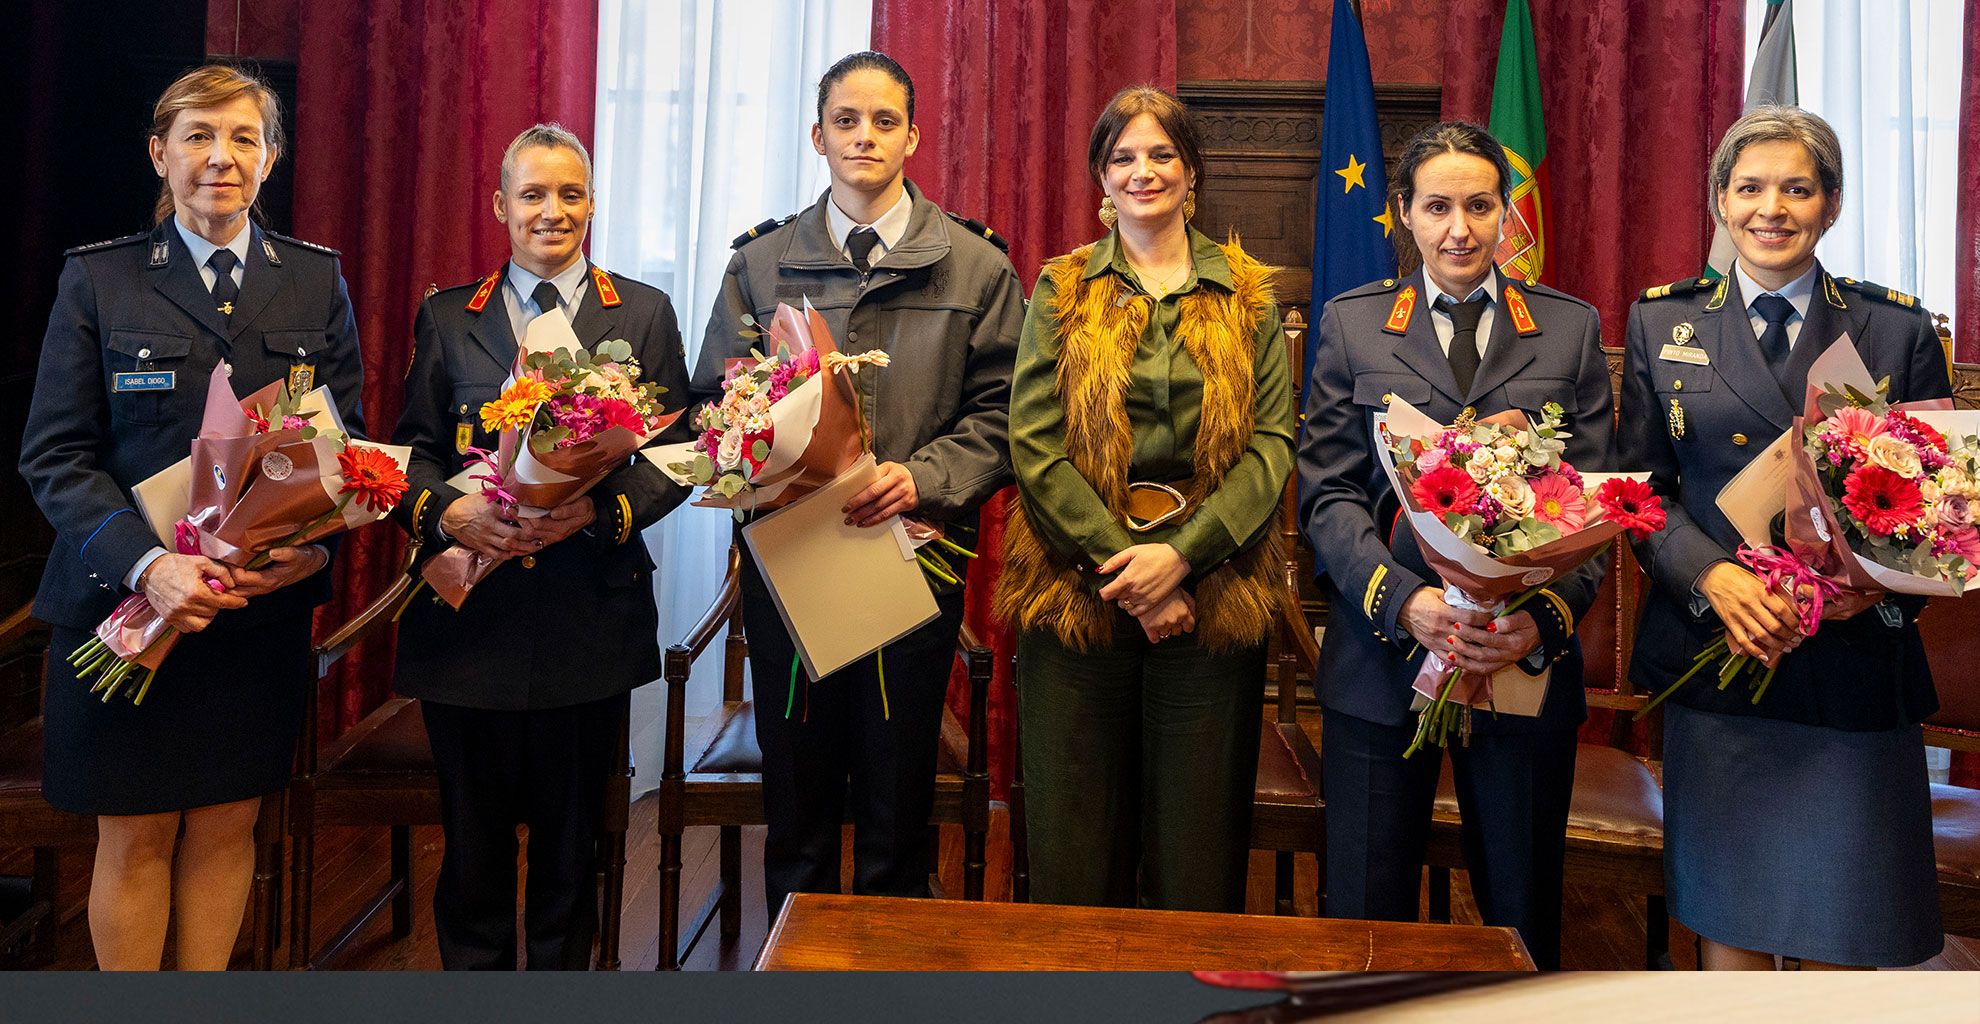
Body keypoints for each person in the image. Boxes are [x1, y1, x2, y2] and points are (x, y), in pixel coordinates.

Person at [18, 64, 362, 970]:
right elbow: (54, 454)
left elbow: (344, 452)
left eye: (244, 137)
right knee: (133, 841)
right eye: (200, 136)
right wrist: (150, 568)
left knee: (225, 830)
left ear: (272, 156)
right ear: (160, 154)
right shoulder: (100, 281)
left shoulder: (315, 285)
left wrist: (302, 556)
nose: (222, 157)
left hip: (250, 616)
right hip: (119, 611)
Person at [693, 50, 1023, 921]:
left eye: (884, 121)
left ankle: (886, 981)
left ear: (914, 136)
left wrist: (918, 477)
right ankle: (797, 976)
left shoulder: (978, 268)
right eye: (847, 120)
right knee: (796, 800)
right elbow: (712, 407)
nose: (864, 135)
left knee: (894, 799)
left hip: (912, 565)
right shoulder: (758, 266)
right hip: (790, 565)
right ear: (818, 136)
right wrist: (761, 464)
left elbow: (1007, 418)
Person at [1620, 105, 1947, 970]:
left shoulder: (1899, 330)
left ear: (1831, 205)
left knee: (1847, 927)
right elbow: (1641, 496)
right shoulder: (1662, 322)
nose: (1773, 208)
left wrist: (1857, 589)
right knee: (1730, 925)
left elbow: (1941, 514)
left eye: (1797, 189)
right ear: (1722, 203)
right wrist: (1713, 583)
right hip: (1719, 658)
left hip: (1851, 672)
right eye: (1751, 187)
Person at [1295, 121, 1613, 968]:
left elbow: (1600, 513)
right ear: (1404, 213)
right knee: (1368, 921)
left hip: (1519, 666)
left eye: (1479, 206)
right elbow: (1325, 495)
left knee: (1520, 919)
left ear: (1508, 215)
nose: (1460, 229)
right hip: (1382, 662)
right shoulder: (1355, 324)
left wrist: (1538, 621)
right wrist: (1410, 603)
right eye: (1438, 207)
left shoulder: (1569, 330)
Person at [389, 123, 693, 969]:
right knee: (473, 858)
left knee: (571, 858)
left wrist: (594, 517)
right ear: (500, 206)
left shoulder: (642, 311)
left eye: (569, 194)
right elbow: (412, 450)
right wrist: (447, 513)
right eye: (532, 194)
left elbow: (675, 453)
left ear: (591, 203)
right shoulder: (449, 316)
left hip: (587, 621)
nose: (551, 212)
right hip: (469, 624)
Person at [995, 85, 1293, 913]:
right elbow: (1034, 445)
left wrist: (1180, 562)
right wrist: (1125, 569)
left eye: (1162, 153)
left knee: (1196, 859)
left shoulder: (1249, 293)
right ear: (1101, 174)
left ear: (1192, 170)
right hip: (1076, 593)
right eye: (1124, 156)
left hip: (1213, 596)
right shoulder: (1059, 289)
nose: (1143, 171)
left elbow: (1272, 448)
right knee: (1073, 852)